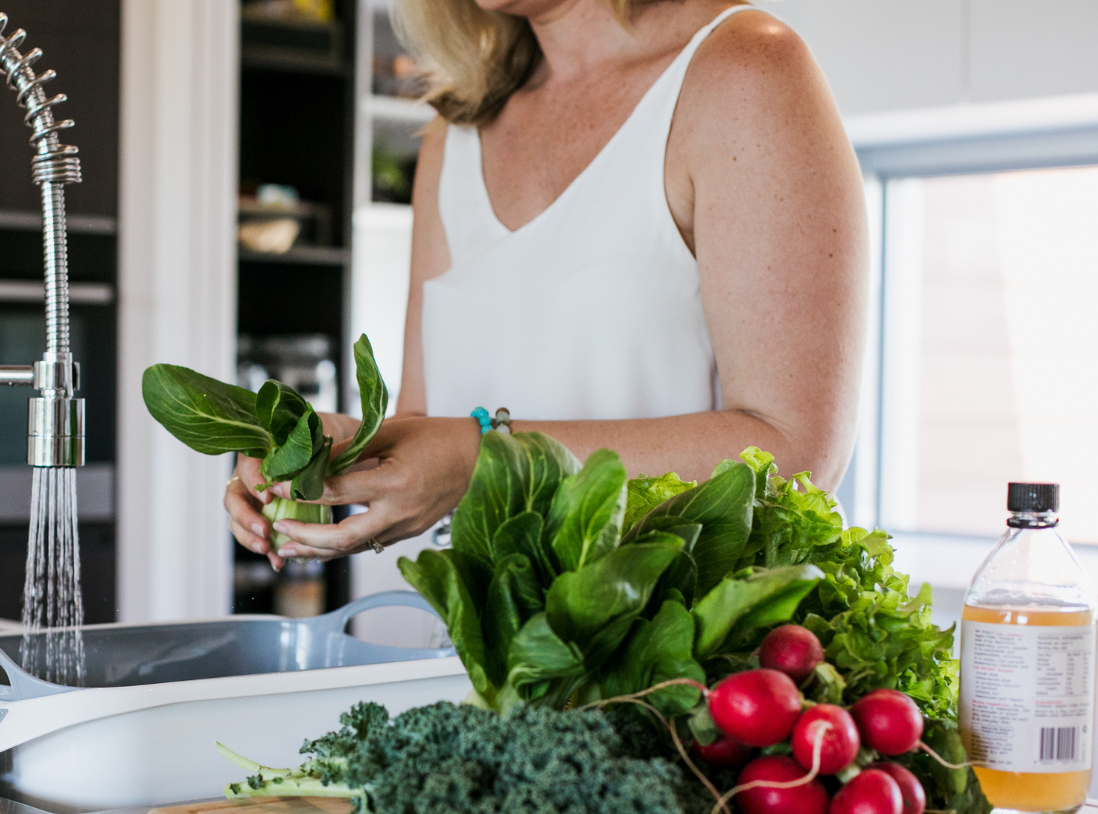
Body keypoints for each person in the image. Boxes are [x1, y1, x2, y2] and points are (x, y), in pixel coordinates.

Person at [228, 0, 867, 569]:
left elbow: (794, 453)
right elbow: (429, 427)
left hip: (682, 670)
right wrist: (328, 462)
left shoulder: (745, 67)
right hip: (476, 663)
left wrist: (489, 456)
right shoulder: (456, 132)